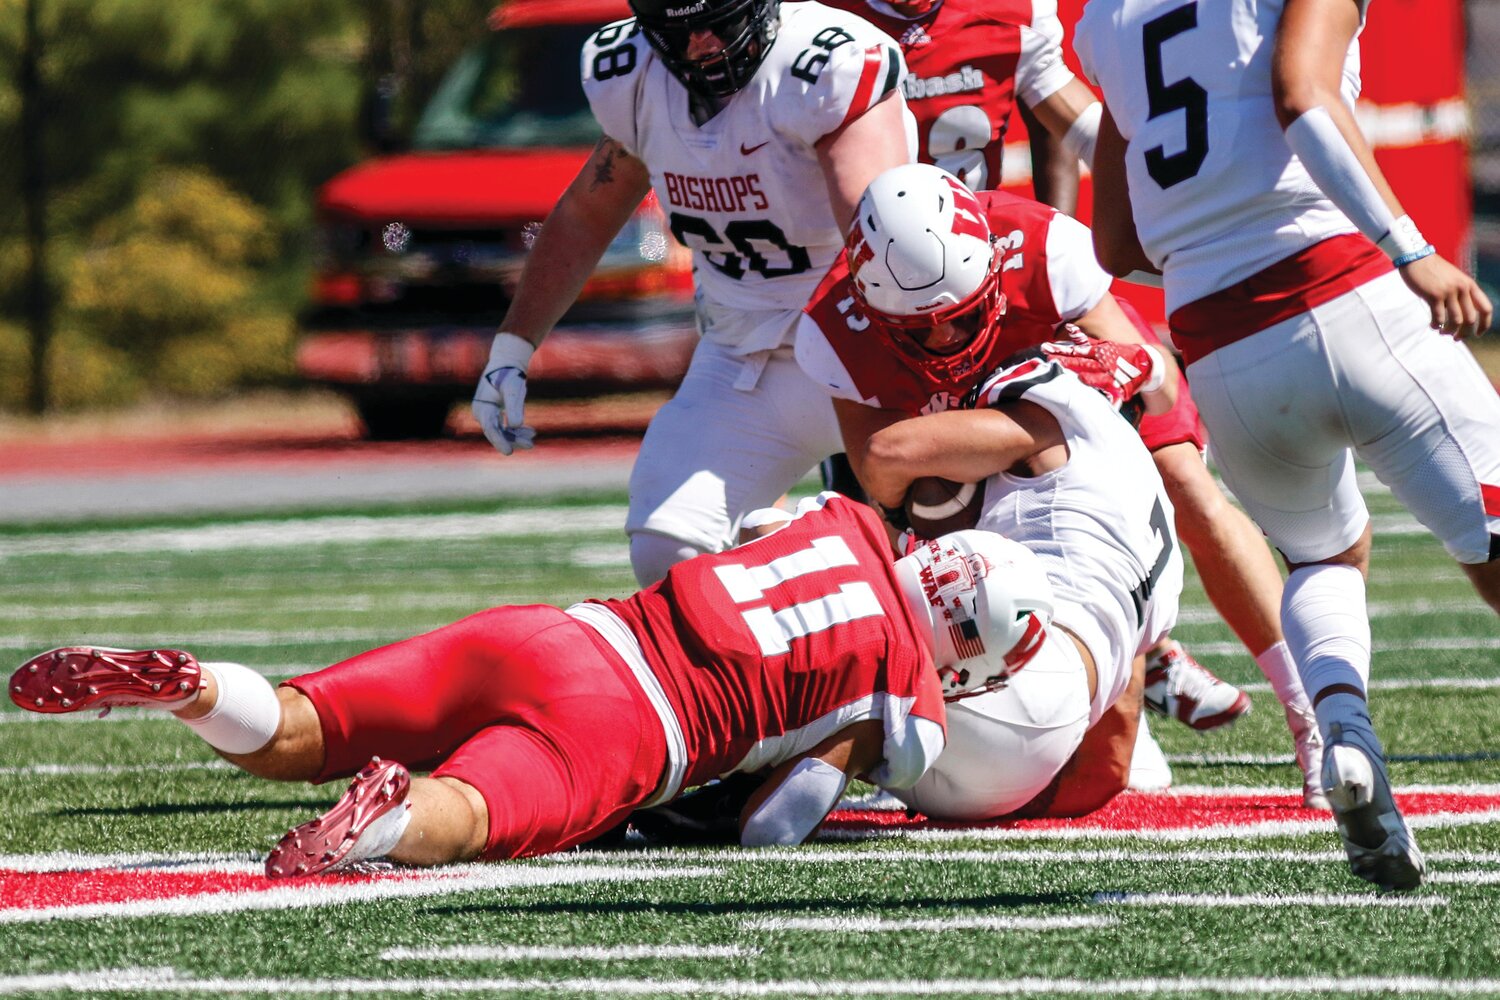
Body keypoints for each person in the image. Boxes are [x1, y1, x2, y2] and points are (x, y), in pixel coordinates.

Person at [8, 495, 1070, 874]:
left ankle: (191, 685)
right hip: (629, 727)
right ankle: (385, 817)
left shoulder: (844, 523)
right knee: (468, 810)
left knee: (300, 722)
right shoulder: (907, 690)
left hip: (560, 630)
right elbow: (774, 828)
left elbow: (748, 533)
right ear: (970, 650)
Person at [1074, 0, 1500, 891]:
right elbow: (1302, 97)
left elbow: (1115, 238)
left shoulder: (1111, 16)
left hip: (1223, 348)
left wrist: (1219, 251)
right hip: (1352, 291)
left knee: (1323, 554)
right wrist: (1412, 250)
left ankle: (1345, 731)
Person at [797, 162, 1327, 803]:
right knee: (931, 519)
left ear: (992, 268)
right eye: (917, 330)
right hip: (995, 439)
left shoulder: (1044, 245)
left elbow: (1156, 395)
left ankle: (1315, 720)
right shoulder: (834, 326)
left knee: (1186, 483)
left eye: (961, 318)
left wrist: (1120, 374)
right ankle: (970, 719)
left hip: (1086, 432)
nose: (943, 339)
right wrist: (1025, 428)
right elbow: (882, 474)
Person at [471, 0, 915, 588]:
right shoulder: (632, 75)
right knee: (668, 549)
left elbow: (875, 230)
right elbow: (586, 213)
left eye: (719, 24)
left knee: (924, 552)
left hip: (868, 348)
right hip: (741, 360)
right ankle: (786, 660)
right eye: (677, 31)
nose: (701, 45)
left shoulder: (822, 65)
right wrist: (512, 345)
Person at [821, 0, 1102, 210]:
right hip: (852, 254)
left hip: (975, 245)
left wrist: (1058, 238)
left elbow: (1061, 122)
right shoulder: (814, 15)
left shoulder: (1015, 11)